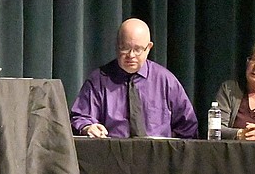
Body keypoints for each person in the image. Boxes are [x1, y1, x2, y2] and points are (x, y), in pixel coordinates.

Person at [70, 18, 198, 139]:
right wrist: (88, 127)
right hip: (111, 157)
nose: (131, 55)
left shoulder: (165, 81)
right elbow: (80, 117)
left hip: (156, 157)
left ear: (148, 48)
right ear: (117, 45)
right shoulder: (99, 80)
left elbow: (187, 127)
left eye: (137, 49)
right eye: (125, 48)